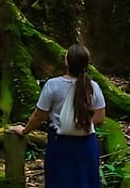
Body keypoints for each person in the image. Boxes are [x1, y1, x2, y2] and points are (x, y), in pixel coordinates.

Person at [10, 43, 106, 187]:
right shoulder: (93, 87)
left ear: (66, 61)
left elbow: (38, 116)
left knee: (60, 182)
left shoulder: (53, 85)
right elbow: (99, 118)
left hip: (61, 144)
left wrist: (24, 131)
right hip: (86, 144)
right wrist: (79, 122)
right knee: (85, 182)